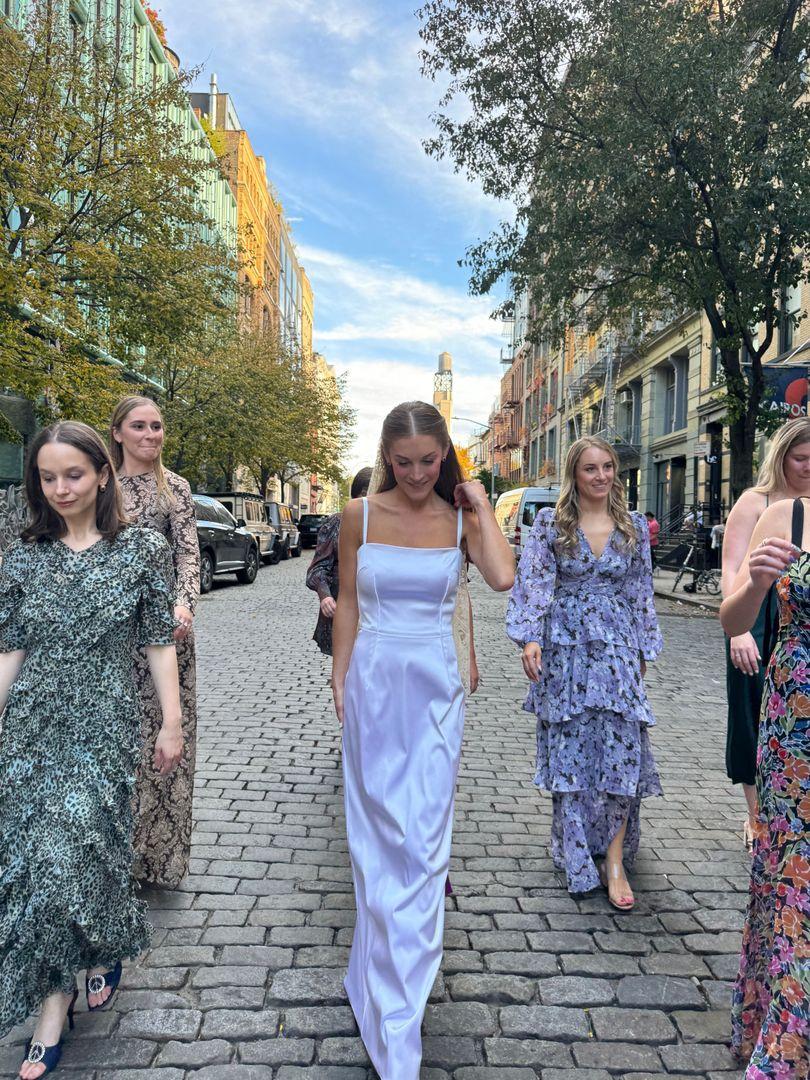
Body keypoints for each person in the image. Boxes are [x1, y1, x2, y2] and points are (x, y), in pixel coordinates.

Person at [331, 401, 514, 1080]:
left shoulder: (460, 516)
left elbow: (502, 576)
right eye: (403, 462)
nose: (415, 474)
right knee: (377, 839)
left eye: (428, 461)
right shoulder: (360, 515)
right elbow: (349, 599)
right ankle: (375, 978)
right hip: (375, 684)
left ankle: (400, 1015)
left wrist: (481, 504)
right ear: (386, 455)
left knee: (423, 842)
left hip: (436, 688)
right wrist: (339, 677)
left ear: (445, 457)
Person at [0, 422, 182, 1079]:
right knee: (42, 864)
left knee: (80, 851)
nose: (60, 489)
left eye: (72, 475)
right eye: (47, 478)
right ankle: (54, 1006)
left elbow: (158, 639)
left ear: (102, 474)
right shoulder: (25, 554)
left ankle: (100, 945)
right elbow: (11, 645)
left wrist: (172, 721)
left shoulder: (138, 551)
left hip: (103, 726)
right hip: (31, 727)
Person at [507, 436, 662, 907]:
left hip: (616, 651)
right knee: (571, 752)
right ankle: (576, 853)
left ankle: (614, 860)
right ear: (574, 474)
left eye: (608, 467)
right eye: (590, 468)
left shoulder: (634, 527)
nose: (601, 476)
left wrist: (642, 653)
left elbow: (641, 593)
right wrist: (530, 638)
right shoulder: (551, 526)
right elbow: (533, 584)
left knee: (620, 750)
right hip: (566, 653)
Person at [719, 498, 809, 1077]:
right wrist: (755, 583)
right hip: (796, 727)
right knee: (792, 872)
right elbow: (733, 620)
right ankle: (782, 1036)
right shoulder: (789, 516)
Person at [109, 395, 200, 889]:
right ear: (118, 433)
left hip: (166, 634)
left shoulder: (176, 489)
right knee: (119, 743)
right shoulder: (100, 484)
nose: (150, 435)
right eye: (139, 426)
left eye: (157, 426)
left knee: (164, 745)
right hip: (113, 634)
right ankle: (112, 853)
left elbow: (189, 554)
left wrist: (184, 603)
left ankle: (155, 859)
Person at [722, 417, 810, 851]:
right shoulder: (758, 503)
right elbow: (732, 569)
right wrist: (740, 634)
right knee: (750, 714)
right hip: (757, 616)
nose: (808, 466)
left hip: (796, 615)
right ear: (782, 458)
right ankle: (759, 814)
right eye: (801, 458)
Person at [306, 468, 373, 656]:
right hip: (342, 610)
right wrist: (325, 595)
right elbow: (317, 569)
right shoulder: (335, 523)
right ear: (355, 496)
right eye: (364, 495)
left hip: (375, 614)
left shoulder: (387, 526)